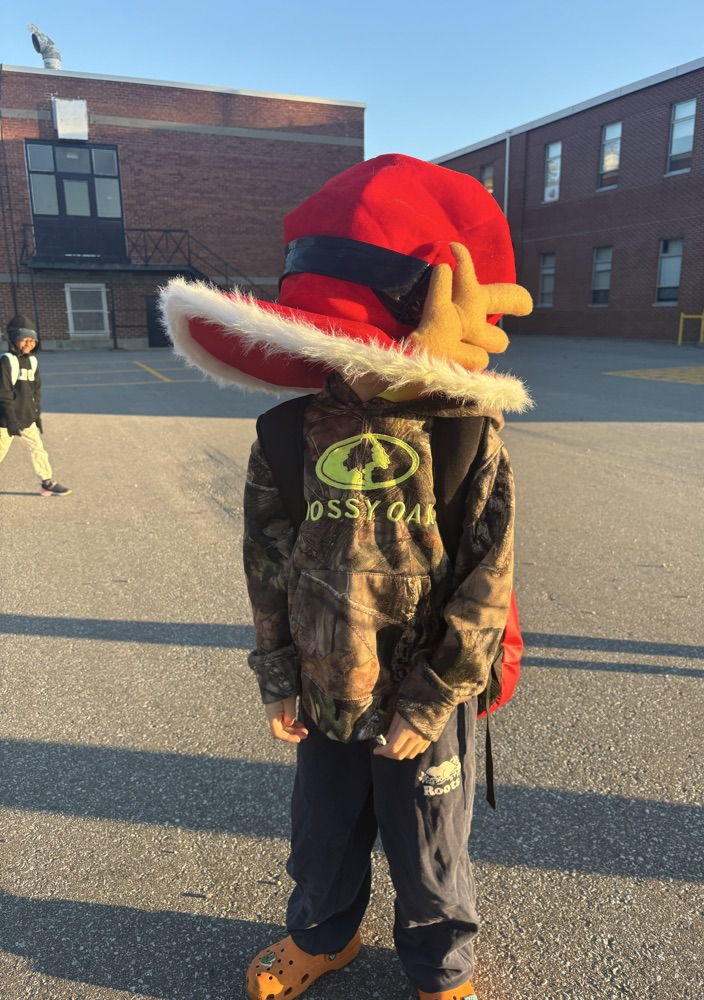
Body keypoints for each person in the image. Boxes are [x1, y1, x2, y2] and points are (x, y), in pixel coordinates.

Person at [160, 154, 533, 1000]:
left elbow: (488, 578)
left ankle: (441, 969)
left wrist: (433, 697)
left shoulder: (465, 438)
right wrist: (277, 676)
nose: (357, 364)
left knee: (431, 846)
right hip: (326, 688)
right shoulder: (286, 434)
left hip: (423, 699)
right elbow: (266, 562)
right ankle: (323, 936)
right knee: (322, 835)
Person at [0, 315, 71, 496]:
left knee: (38, 448)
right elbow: (4, 393)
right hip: (6, 419)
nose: (29, 344)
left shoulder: (32, 361)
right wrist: (11, 420)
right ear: (13, 339)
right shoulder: (6, 361)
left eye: (32, 341)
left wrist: (36, 414)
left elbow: (35, 391)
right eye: (24, 340)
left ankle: (47, 482)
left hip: (27, 417)